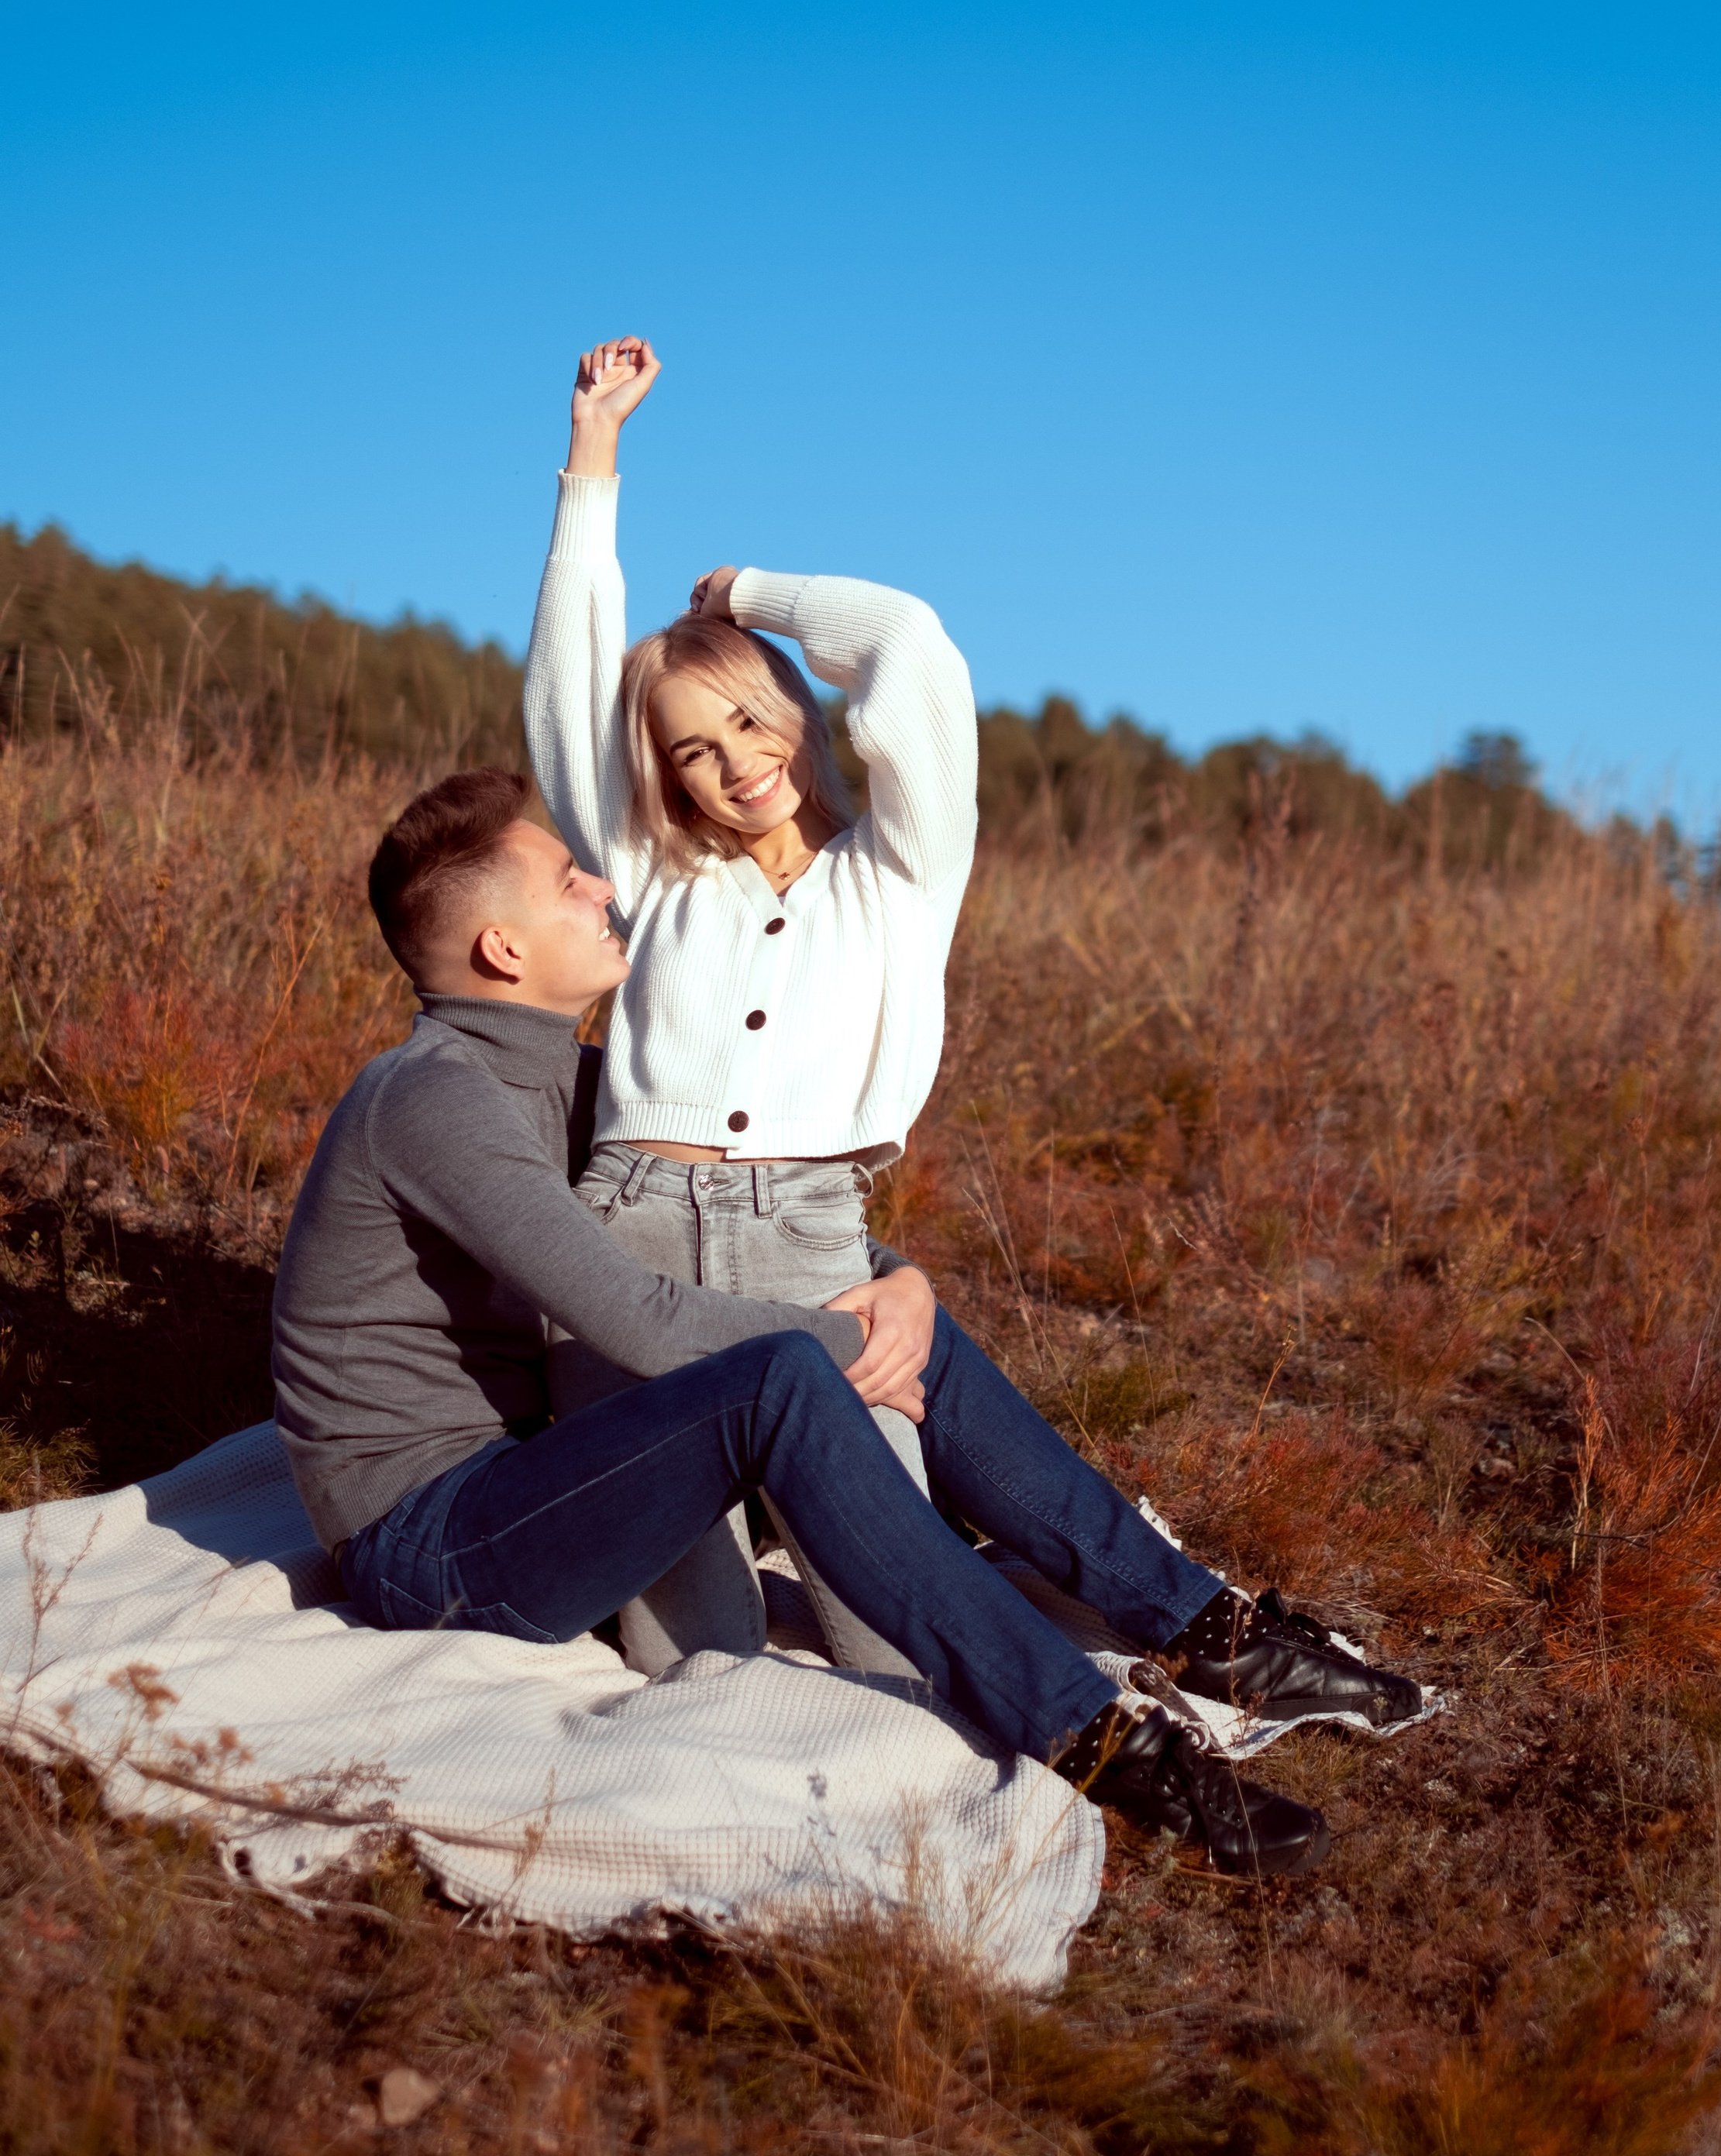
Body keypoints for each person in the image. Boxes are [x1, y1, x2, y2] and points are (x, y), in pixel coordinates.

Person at [270, 770, 1430, 1883]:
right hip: (437, 1545)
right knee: (785, 1371)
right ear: (503, 949)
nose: (602, 888)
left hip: (540, 1480)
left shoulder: (579, 1083)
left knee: (874, 1320)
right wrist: (850, 1343)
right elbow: (636, 1316)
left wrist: (897, 1282)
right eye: (568, 881)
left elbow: (722, 1212)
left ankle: (1207, 1626)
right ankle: (1106, 1748)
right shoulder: (432, 1098)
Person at [521, 332, 972, 1676]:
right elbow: (569, 685)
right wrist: (593, 453)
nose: (734, 763)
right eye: (693, 749)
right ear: (665, 777)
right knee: (688, 1653)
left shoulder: (900, 870)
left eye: (748, 718)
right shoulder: (651, 872)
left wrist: (747, 594)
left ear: (793, 703)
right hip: (629, 1236)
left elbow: (909, 645)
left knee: (897, 1642)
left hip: (807, 1241)